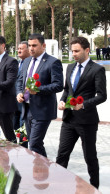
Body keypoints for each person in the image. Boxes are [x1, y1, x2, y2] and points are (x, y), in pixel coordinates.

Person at [56, 37, 107, 189]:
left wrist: (83, 105)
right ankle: (57, 186)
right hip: (69, 120)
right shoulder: (70, 67)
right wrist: (62, 101)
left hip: (87, 121)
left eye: (77, 51)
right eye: (72, 51)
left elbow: (102, 95)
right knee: (62, 155)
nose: (74, 54)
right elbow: (67, 89)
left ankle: (94, 187)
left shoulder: (97, 69)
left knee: (90, 157)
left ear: (86, 50)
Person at [16, 33, 63, 157]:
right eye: (30, 45)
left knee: (35, 143)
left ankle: (42, 171)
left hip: (43, 109)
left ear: (43, 46)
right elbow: (20, 80)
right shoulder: (26, 61)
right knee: (34, 142)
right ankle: (41, 170)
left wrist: (38, 90)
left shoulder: (53, 62)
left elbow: (58, 85)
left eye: (34, 45)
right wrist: (19, 93)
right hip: (27, 109)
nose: (31, 48)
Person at [14, 41, 30, 131]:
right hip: (15, 101)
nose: (19, 51)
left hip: (25, 100)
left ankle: (23, 145)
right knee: (14, 127)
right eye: (18, 48)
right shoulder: (16, 63)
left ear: (28, 50)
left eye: (21, 49)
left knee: (23, 128)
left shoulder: (31, 64)